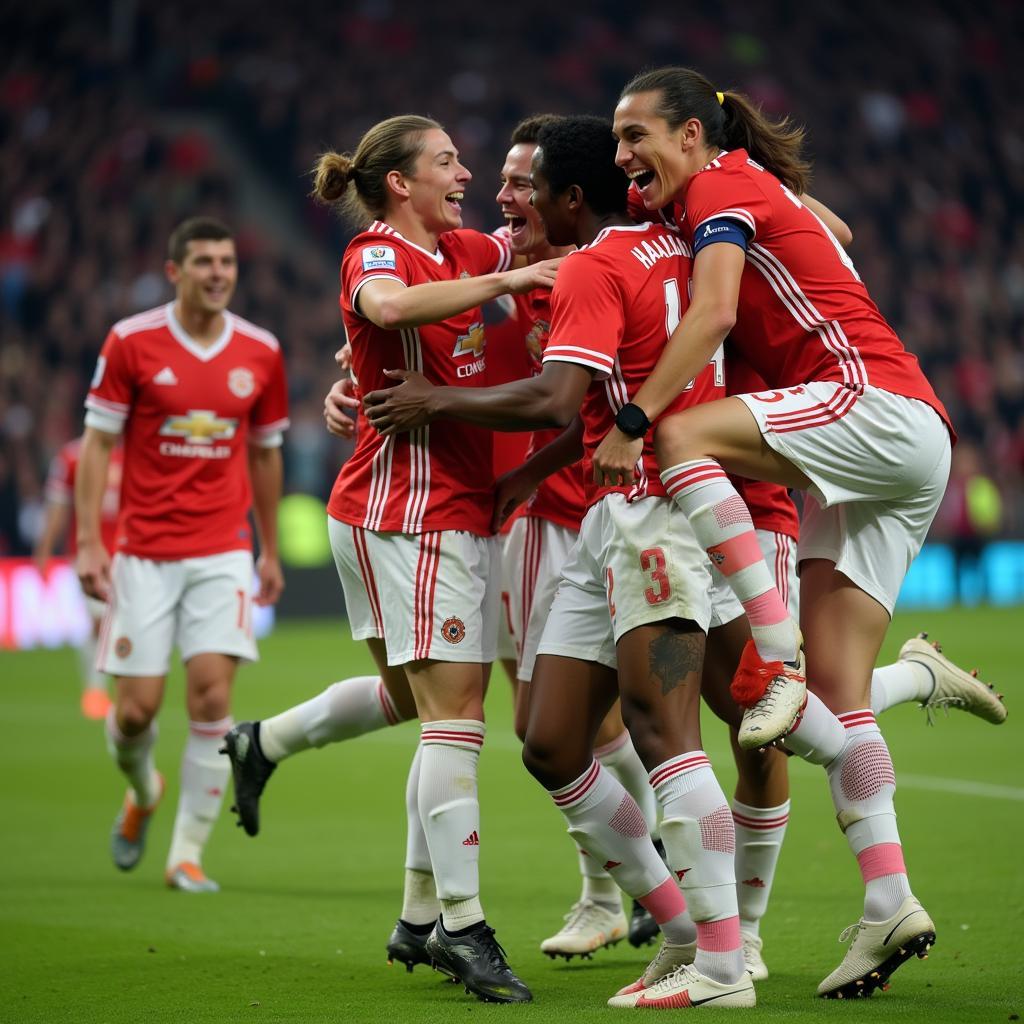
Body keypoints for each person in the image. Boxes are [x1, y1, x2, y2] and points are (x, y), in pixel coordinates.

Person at [591, 66, 1005, 999]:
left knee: (679, 430)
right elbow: (839, 232)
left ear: (693, 134)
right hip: (913, 440)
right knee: (842, 702)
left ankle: (771, 652)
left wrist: (630, 420)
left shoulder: (722, 186)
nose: (624, 156)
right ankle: (889, 899)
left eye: (636, 134)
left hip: (870, 400)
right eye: (614, 142)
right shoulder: (750, 185)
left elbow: (717, 311)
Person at [364, 114, 756, 1011]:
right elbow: (567, 413)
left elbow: (553, 398)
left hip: (655, 512)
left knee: (672, 734)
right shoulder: (657, 237)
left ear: (566, 199)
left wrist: (436, 401)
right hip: (599, 521)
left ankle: (722, 959)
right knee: (549, 741)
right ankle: (669, 919)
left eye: (525, 192)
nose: (510, 211)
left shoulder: (594, 262)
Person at [223, 114, 559, 1005]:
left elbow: (543, 238)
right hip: (404, 513)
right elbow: (384, 310)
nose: (468, 173)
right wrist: (516, 275)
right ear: (401, 184)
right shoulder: (379, 251)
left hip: (449, 510)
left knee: (428, 706)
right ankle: (461, 922)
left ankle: (409, 907)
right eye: (447, 161)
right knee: (454, 716)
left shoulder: (464, 246)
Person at [76, 216, 289, 894]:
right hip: (142, 552)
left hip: (222, 550)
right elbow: (98, 445)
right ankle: (143, 790)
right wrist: (88, 541)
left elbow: (264, 454)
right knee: (135, 710)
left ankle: (186, 856)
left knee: (211, 696)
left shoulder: (260, 351)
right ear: (175, 271)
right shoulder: (132, 343)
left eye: (227, 261)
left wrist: (271, 549)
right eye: (204, 262)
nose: (219, 272)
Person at [34, 435, 123, 719]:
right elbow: (58, 505)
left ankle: (124, 690)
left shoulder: (139, 451)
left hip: (132, 553)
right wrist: (45, 547)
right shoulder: (73, 455)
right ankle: (95, 691)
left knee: (123, 626)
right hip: (90, 554)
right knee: (100, 622)